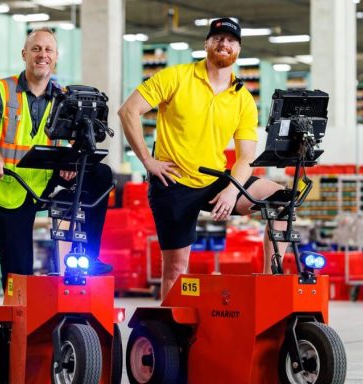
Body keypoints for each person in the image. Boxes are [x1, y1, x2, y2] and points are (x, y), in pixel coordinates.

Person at [118, 18, 286, 299]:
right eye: (218, 38)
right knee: (176, 268)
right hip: (173, 182)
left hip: (215, 181)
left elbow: (246, 157)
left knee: (282, 199)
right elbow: (128, 111)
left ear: (238, 49)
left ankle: (272, 281)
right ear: (207, 44)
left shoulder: (242, 98)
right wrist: (148, 161)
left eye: (231, 40)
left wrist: (232, 191)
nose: (224, 44)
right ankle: (170, 336)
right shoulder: (176, 77)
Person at [0, 27, 113, 292]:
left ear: (56, 57)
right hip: (7, 188)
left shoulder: (64, 96)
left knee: (100, 174)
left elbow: (75, 140)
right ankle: (14, 324)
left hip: (44, 184)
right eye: (36, 49)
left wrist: (72, 162)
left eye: (48, 50)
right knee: (19, 270)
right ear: (24, 54)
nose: (42, 55)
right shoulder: (0, 90)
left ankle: (89, 256)